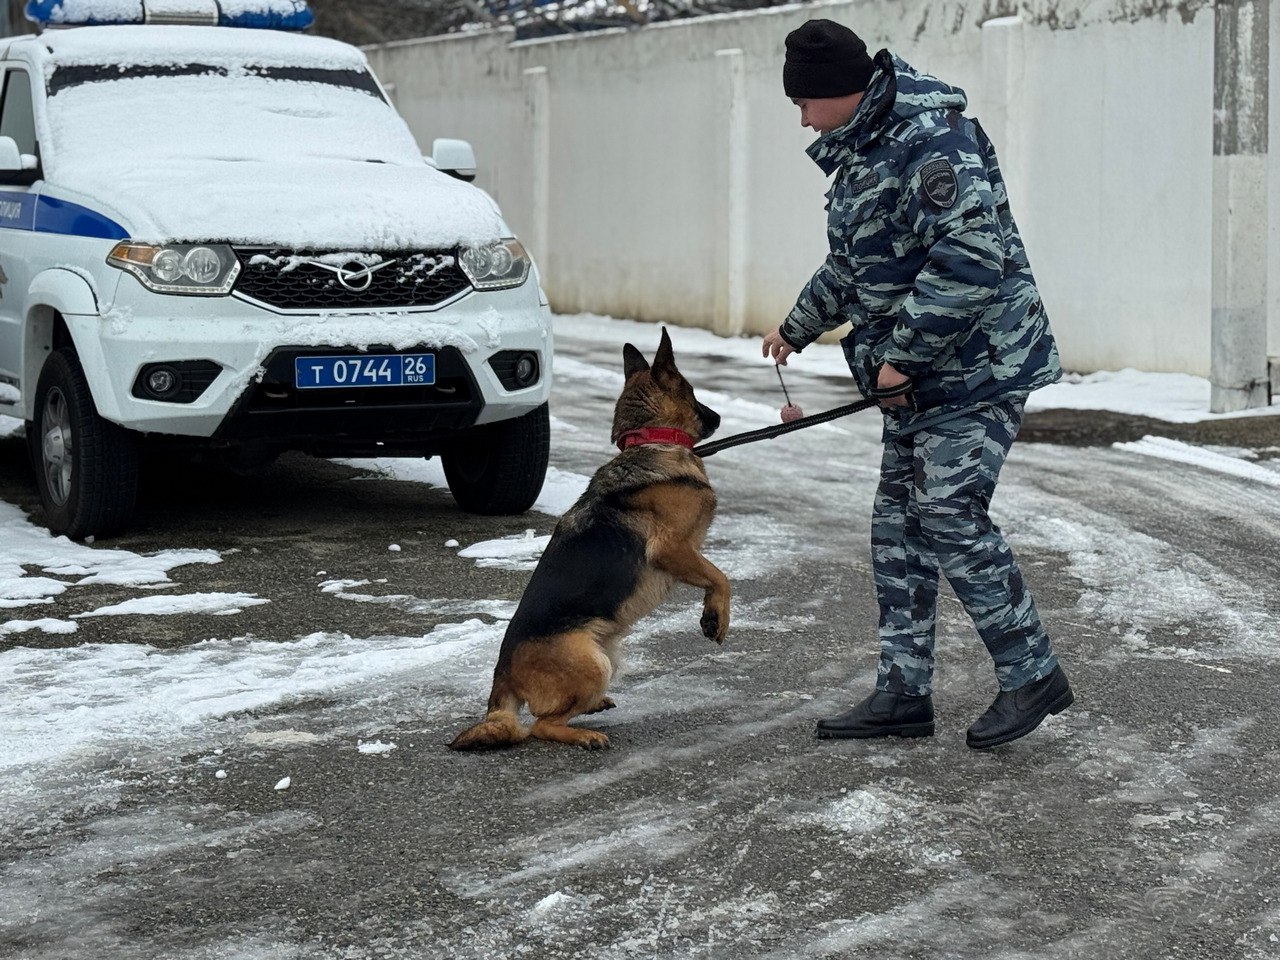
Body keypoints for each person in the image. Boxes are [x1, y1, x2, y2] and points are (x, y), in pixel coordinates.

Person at [763, 19, 1073, 749]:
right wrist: (798, 325)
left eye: (804, 102)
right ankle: (903, 694)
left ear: (840, 90)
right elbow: (856, 265)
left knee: (949, 515)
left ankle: (1032, 673)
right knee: (898, 531)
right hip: (920, 384)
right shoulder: (864, 151)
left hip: (978, 370)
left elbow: (971, 257)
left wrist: (902, 357)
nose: (802, 119)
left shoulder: (933, 141)